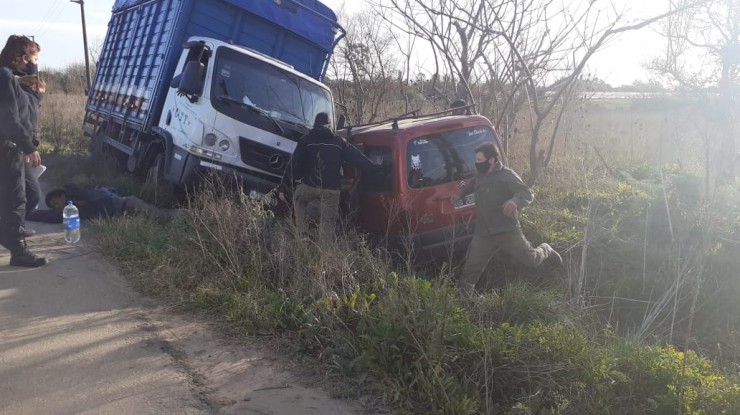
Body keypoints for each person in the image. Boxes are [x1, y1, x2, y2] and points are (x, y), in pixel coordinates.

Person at [456, 142, 562, 296]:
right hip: (484, 233)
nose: (476, 163)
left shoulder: (506, 175)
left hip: (506, 230)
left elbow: (527, 193)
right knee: (469, 272)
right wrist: (459, 195)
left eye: (479, 160)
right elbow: (471, 186)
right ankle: (468, 302)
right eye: (476, 160)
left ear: (491, 160)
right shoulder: (480, 175)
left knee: (531, 259)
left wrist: (514, 201)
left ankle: (546, 249)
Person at [278, 112, 378, 244]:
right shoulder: (339, 141)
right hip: (331, 191)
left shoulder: (306, 139)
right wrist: (374, 167)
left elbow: (293, 164)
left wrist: (283, 187)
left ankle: (303, 234)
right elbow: (356, 157)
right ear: (330, 125)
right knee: (328, 222)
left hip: (309, 187)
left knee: (298, 199)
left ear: (315, 124)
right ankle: (325, 253)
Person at [0, 35, 47, 267]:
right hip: (8, 149)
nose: (29, 63)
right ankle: (18, 250)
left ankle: (9, 233)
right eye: (28, 58)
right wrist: (28, 147)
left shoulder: (9, 76)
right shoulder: (4, 76)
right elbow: (8, 118)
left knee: (29, 194)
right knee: (15, 198)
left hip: (13, 148)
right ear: (18, 56)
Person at [27, 184, 182, 223]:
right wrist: (28, 215)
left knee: (163, 217)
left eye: (56, 202)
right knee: (161, 218)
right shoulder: (76, 200)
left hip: (128, 205)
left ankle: (197, 217)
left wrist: (27, 215)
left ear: (61, 195)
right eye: (54, 206)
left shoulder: (75, 197)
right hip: (126, 207)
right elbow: (51, 215)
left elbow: (52, 216)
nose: (57, 206)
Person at [17, 73, 46, 237]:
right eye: (42, 90)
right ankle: (12, 228)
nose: (43, 94)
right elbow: (20, 126)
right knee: (31, 193)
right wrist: (28, 148)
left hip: (21, 150)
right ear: (35, 86)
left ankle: (15, 228)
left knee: (25, 193)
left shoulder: (27, 98)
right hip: (18, 152)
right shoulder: (26, 99)